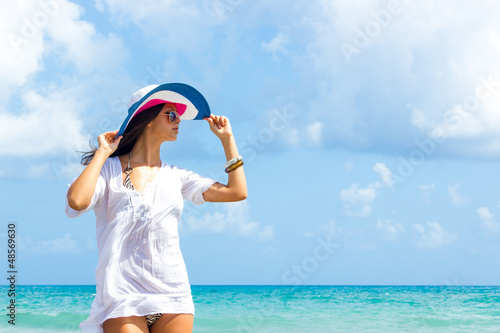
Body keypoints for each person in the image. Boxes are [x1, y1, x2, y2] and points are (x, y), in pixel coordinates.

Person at [65, 83, 247, 333]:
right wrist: (102, 154)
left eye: (179, 115)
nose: (178, 120)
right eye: (171, 114)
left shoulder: (177, 176)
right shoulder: (107, 170)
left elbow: (236, 192)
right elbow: (77, 201)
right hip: (121, 295)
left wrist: (228, 140)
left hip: (173, 293)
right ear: (148, 118)